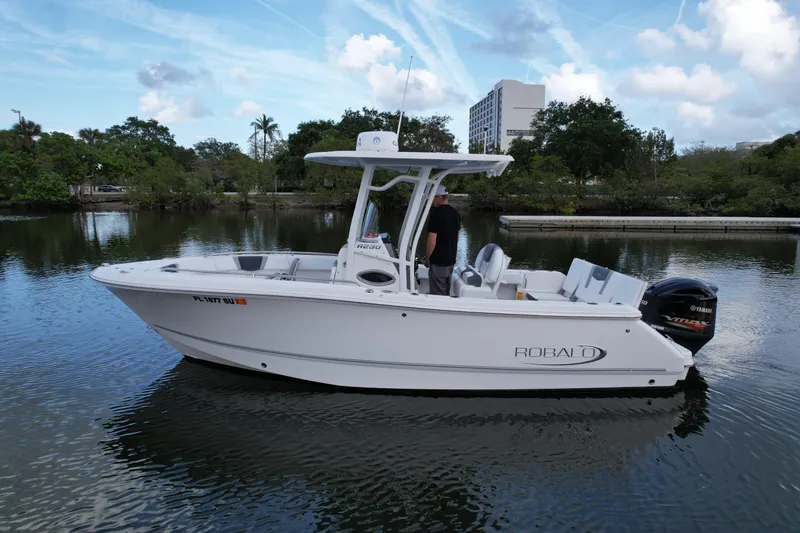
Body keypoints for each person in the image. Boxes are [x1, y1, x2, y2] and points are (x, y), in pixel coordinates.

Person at [426, 185, 461, 295]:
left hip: (438, 262)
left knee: (438, 295)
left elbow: (432, 241)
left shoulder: (435, 214)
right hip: (451, 260)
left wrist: (428, 258)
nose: (432, 201)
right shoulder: (455, 213)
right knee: (446, 289)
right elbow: (457, 236)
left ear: (439, 197)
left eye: (433, 198)